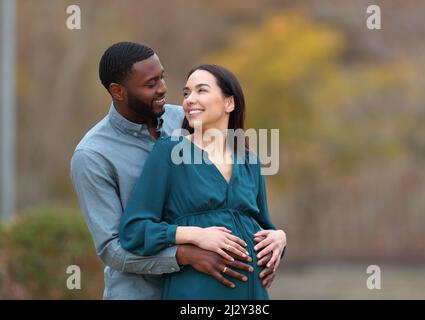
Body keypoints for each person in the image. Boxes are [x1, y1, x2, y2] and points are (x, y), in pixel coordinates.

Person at [71, 42, 262, 300]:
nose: (163, 89)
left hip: (201, 291)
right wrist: (184, 255)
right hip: (139, 294)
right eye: (150, 85)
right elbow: (112, 248)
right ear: (118, 91)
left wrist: (273, 239)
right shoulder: (92, 155)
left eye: (162, 77)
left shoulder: (184, 121)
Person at [119, 64, 287, 299]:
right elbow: (133, 230)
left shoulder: (250, 161)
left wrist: (279, 238)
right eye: (186, 93)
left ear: (229, 103)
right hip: (195, 294)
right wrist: (195, 234)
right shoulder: (169, 153)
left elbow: (263, 227)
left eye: (201, 90)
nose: (189, 100)